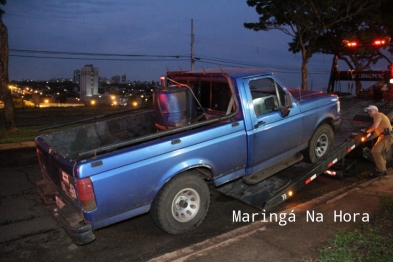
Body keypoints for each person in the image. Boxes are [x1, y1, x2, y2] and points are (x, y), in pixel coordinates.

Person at [363, 105, 393, 177]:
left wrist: (366, 131)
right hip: (384, 136)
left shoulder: (378, 115)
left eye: (370, 110)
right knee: (381, 154)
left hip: (387, 137)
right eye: (368, 111)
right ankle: (381, 170)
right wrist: (365, 140)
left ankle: (381, 171)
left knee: (375, 151)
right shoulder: (379, 119)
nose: (369, 112)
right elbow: (375, 135)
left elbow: (374, 127)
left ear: (376, 110)